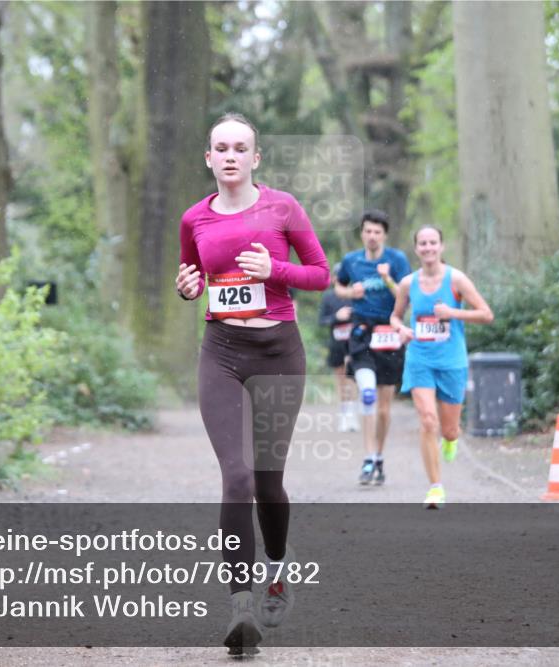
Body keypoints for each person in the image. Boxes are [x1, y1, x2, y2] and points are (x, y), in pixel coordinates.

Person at [175, 112, 330, 654]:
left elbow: (320, 273)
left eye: (242, 147)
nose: (232, 156)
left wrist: (275, 271)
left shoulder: (282, 207)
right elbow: (193, 276)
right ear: (210, 158)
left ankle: (278, 571)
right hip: (221, 353)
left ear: (256, 158)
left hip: (278, 353)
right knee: (236, 477)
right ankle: (242, 608)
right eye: (222, 147)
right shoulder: (194, 217)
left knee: (267, 481)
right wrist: (188, 286)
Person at [390, 226, 493, 509]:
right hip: (420, 357)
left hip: (451, 361)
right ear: (416, 249)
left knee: (448, 430)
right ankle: (435, 488)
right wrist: (401, 330)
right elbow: (395, 317)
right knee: (427, 420)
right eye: (422, 243)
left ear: (441, 247)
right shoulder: (408, 284)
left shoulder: (456, 279)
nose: (428, 248)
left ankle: (451, 439)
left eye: (432, 242)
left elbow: (486, 314)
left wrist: (453, 313)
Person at [335, 210, 411, 485]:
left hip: (389, 333)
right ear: (362, 233)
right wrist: (348, 293)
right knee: (367, 394)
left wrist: (388, 279)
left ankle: (378, 455)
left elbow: (408, 295)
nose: (372, 236)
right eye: (367, 231)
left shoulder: (397, 260)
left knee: (384, 407)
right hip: (362, 332)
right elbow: (337, 286)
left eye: (377, 232)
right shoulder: (351, 261)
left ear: (385, 235)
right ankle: (367, 457)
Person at [317, 265, 358, 432]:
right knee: (341, 381)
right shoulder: (328, 298)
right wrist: (337, 317)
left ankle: (353, 415)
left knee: (352, 380)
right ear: (334, 279)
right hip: (336, 344)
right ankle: (344, 415)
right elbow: (322, 321)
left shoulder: (355, 296)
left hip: (354, 344)